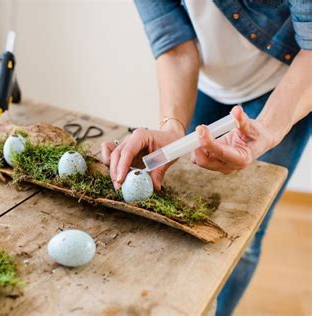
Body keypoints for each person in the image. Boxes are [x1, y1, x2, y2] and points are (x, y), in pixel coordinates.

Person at [101, 1, 311, 315]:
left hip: (285, 85)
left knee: (245, 234)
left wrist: (268, 128)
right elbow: (174, 45)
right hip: (207, 83)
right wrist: (172, 129)